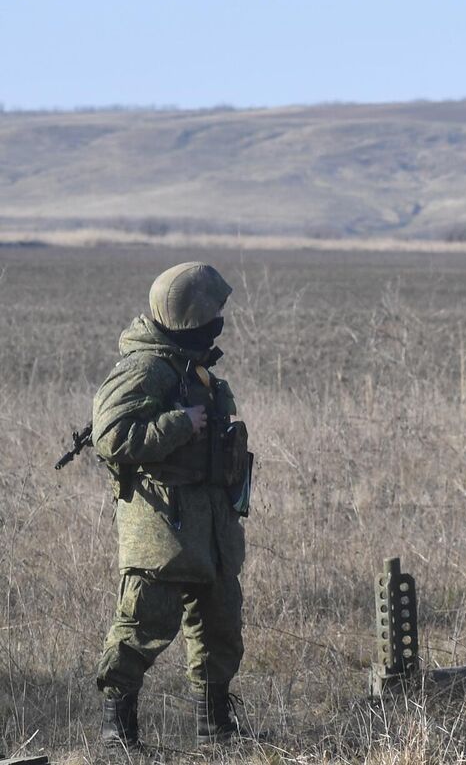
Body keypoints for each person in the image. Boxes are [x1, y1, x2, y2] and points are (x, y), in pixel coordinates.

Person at [92, 262, 251, 748]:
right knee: (141, 628)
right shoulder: (146, 367)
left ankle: (216, 731)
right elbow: (111, 436)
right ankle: (117, 737)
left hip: (210, 526)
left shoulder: (193, 367)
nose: (218, 321)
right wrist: (179, 424)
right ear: (189, 317)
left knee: (220, 627)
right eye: (211, 313)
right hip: (163, 525)